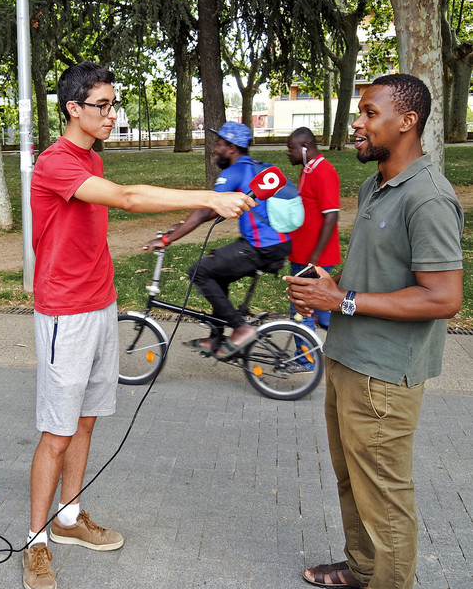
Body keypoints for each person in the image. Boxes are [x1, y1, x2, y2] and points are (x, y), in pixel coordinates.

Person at [25, 61, 254, 589]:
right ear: (73, 109)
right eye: (101, 105)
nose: (111, 113)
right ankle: (35, 543)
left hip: (100, 304)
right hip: (65, 314)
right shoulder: (56, 162)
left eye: (113, 103)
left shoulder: (90, 157)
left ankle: (68, 518)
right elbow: (128, 199)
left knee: (85, 422)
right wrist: (207, 197)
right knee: (57, 432)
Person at [287, 74, 463, 589]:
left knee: (384, 498)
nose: (356, 124)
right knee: (353, 483)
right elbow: (377, 272)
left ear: (407, 122)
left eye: (368, 114)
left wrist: (340, 300)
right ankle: (364, 570)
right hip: (347, 358)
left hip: (384, 377)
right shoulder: (374, 183)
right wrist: (331, 284)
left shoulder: (428, 198)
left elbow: (443, 297)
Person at [143, 121, 292, 358]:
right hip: (275, 244)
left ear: (232, 148)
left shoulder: (234, 172)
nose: (215, 148)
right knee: (215, 270)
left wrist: (167, 239)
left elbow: (205, 210)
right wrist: (181, 227)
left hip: (261, 246)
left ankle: (241, 329)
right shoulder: (257, 167)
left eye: (219, 144)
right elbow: (212, 210)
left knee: (199, 271)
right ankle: (215, 338)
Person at [286, 126, 341, 331]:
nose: (288, 153)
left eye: (291, 148)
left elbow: (331, 216)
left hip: (313, 259)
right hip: (301, 255)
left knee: (301, 310)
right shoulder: (308, 170)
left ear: (305, 147)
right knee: (321, 313)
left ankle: (306, 362)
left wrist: (314, 259)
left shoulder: (323, 171)